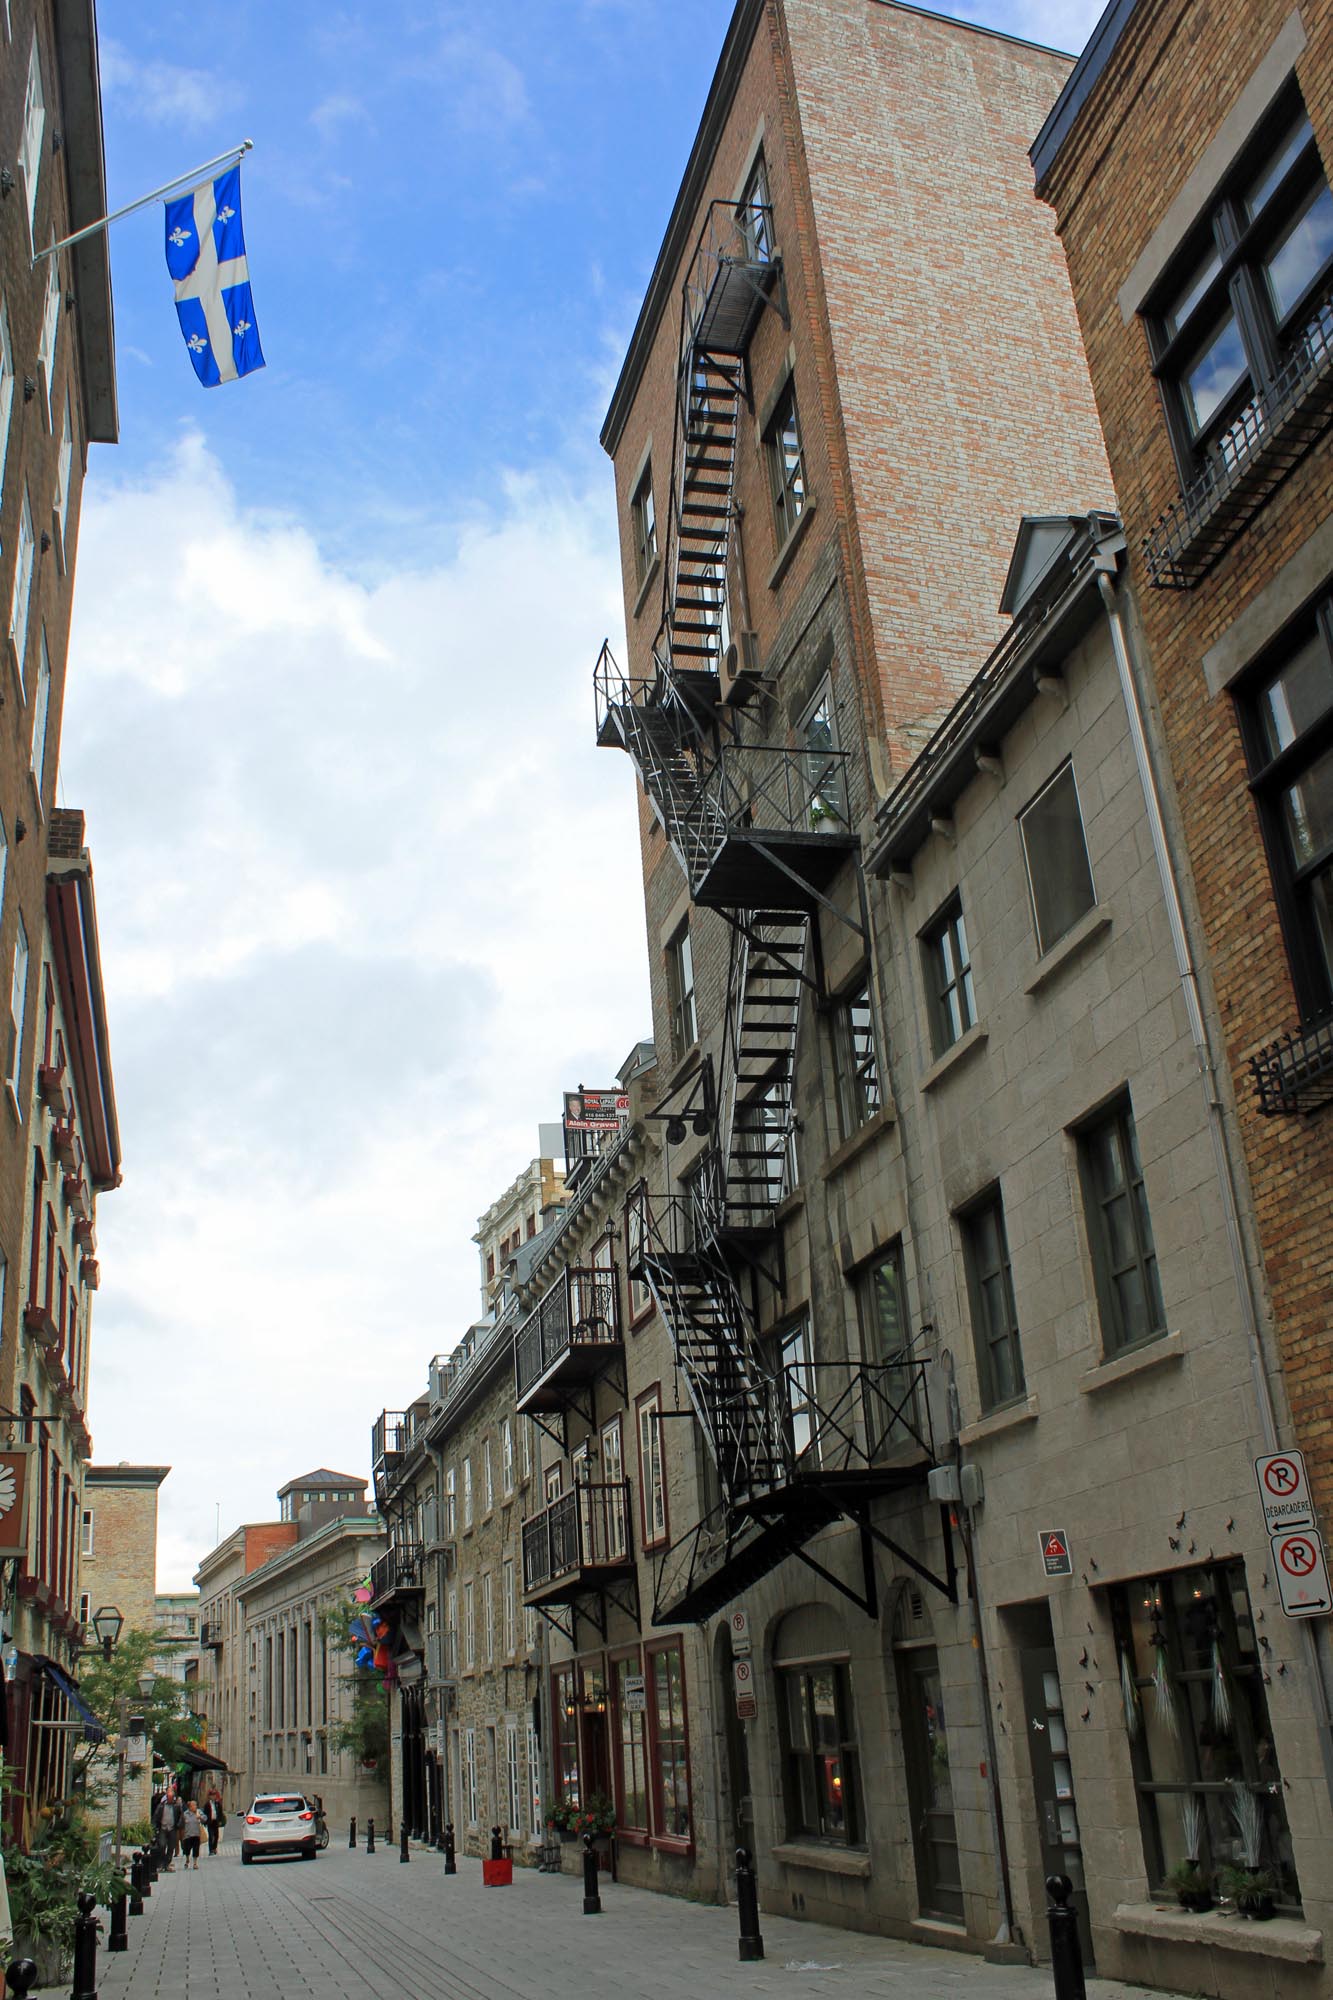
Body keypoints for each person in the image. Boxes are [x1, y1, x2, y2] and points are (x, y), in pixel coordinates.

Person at [154, 1785, 182, 1871]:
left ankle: (167, 1864)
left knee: (171, 1847)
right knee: (162, 1845)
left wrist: (178, 1825)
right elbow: (156, 1816)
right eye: (169, 1797)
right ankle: (162, 1863)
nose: (170, 1799)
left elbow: (181, 1816)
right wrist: (155, 1826)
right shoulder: (161, 1806)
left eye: (172, 1797)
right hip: (163, 1828)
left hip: (172, 1828)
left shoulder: (176, 1806)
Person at [180, 1798, 203, 1870]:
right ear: (190, 1807)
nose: (195, 1807)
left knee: (196, 1849)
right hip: (188, 1835)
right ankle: (187, 1859)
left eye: (196, 1805)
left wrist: (200, 1817)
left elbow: (205, 1818)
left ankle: (195, 1863)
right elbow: (181, 1823)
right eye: (194, 1805)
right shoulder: (185, 1814)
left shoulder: (198, 1812)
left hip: (196, 1834)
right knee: (187, 1849)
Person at [202, 1788, 225, 1857]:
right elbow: (205, 1813)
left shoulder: (217, 1803)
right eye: (212, 1795)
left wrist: (220, 1820)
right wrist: (205, 1821)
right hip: (210, 1821)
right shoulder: (207, 1804)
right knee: (211, 1836)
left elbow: (220, 1812)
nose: (213, 1797)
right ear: (209, 1796)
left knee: (216, 1836)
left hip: (216, 1821)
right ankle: (211, 1850)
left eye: (214, 1795)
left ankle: (214, 1847)